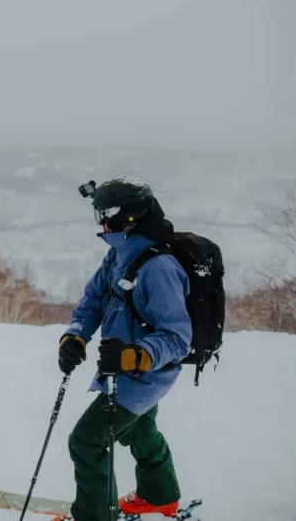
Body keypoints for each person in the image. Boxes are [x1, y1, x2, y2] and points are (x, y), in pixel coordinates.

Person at [56, 176, 192, 521]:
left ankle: (94, 516)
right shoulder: (118, 255)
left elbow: (178, 337)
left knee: (85, 441)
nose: (102, 222)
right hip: (123, 368)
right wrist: (75, 336)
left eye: (109, 213)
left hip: (144, 375)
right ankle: (158, 496)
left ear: (132, 216)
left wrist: (135, 355)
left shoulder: (159, 268)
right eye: (99, 213)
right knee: (141, 430)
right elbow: (93, 301)